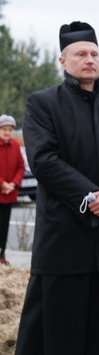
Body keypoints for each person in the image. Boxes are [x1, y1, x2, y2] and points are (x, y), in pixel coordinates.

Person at [10, 21, 99, 355]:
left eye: (94, 53)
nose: (90, 60)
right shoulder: (42, 103)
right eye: (81, 54)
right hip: (63, 242)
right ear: (63, 60)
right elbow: (44, 161)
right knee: (58, 340)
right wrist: (91, 197)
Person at [0, 114, 25, 266]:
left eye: (10, 129)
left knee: (4, 227)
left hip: (9, 195)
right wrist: (2, 184)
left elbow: (21, 167)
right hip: (1, 190)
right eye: (4, 129)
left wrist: (13, 184)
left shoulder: (16, 145)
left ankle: (2, 256)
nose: (7, 132)